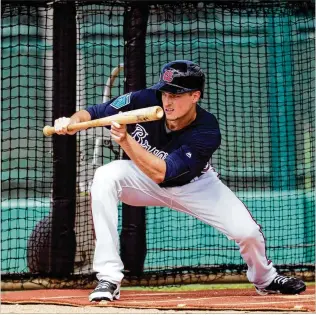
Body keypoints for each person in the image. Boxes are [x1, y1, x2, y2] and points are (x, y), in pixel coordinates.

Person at [54, 60, 306, 302]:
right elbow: (93, 113)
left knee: (248, 233)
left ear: (195, 96)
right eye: (165, 94)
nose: (167, 101)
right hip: (142, 181)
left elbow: (163, 173)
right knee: (105, 177)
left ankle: (265, 278)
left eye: (176, 95)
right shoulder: (145, 98)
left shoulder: (206, 130)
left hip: (195, 185)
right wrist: (72, 123)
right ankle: (108, 277)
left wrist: (125, 141)